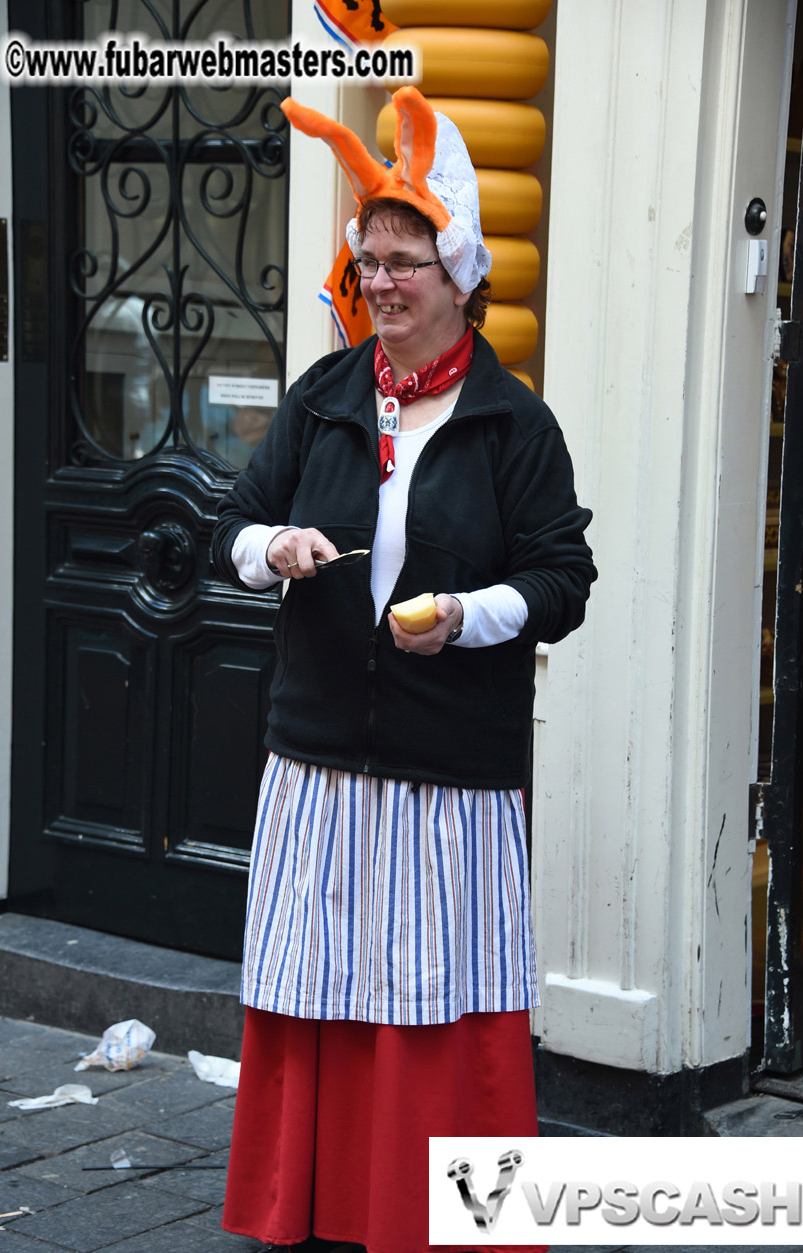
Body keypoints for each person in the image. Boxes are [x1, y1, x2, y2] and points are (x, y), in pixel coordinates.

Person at [212, 86, 596, 1253]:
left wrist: (467, 616)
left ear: (460, 271)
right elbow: (235, 523)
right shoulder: (326, 397)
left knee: (437, 1005)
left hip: (449, 777)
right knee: (316, 989)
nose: (380, 281)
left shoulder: (512, 425)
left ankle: (444, 1222)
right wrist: (271, 548)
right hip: (321, 757)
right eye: (369, 258)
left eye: (405, 260)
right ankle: (318, 1208)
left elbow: (562, 583)